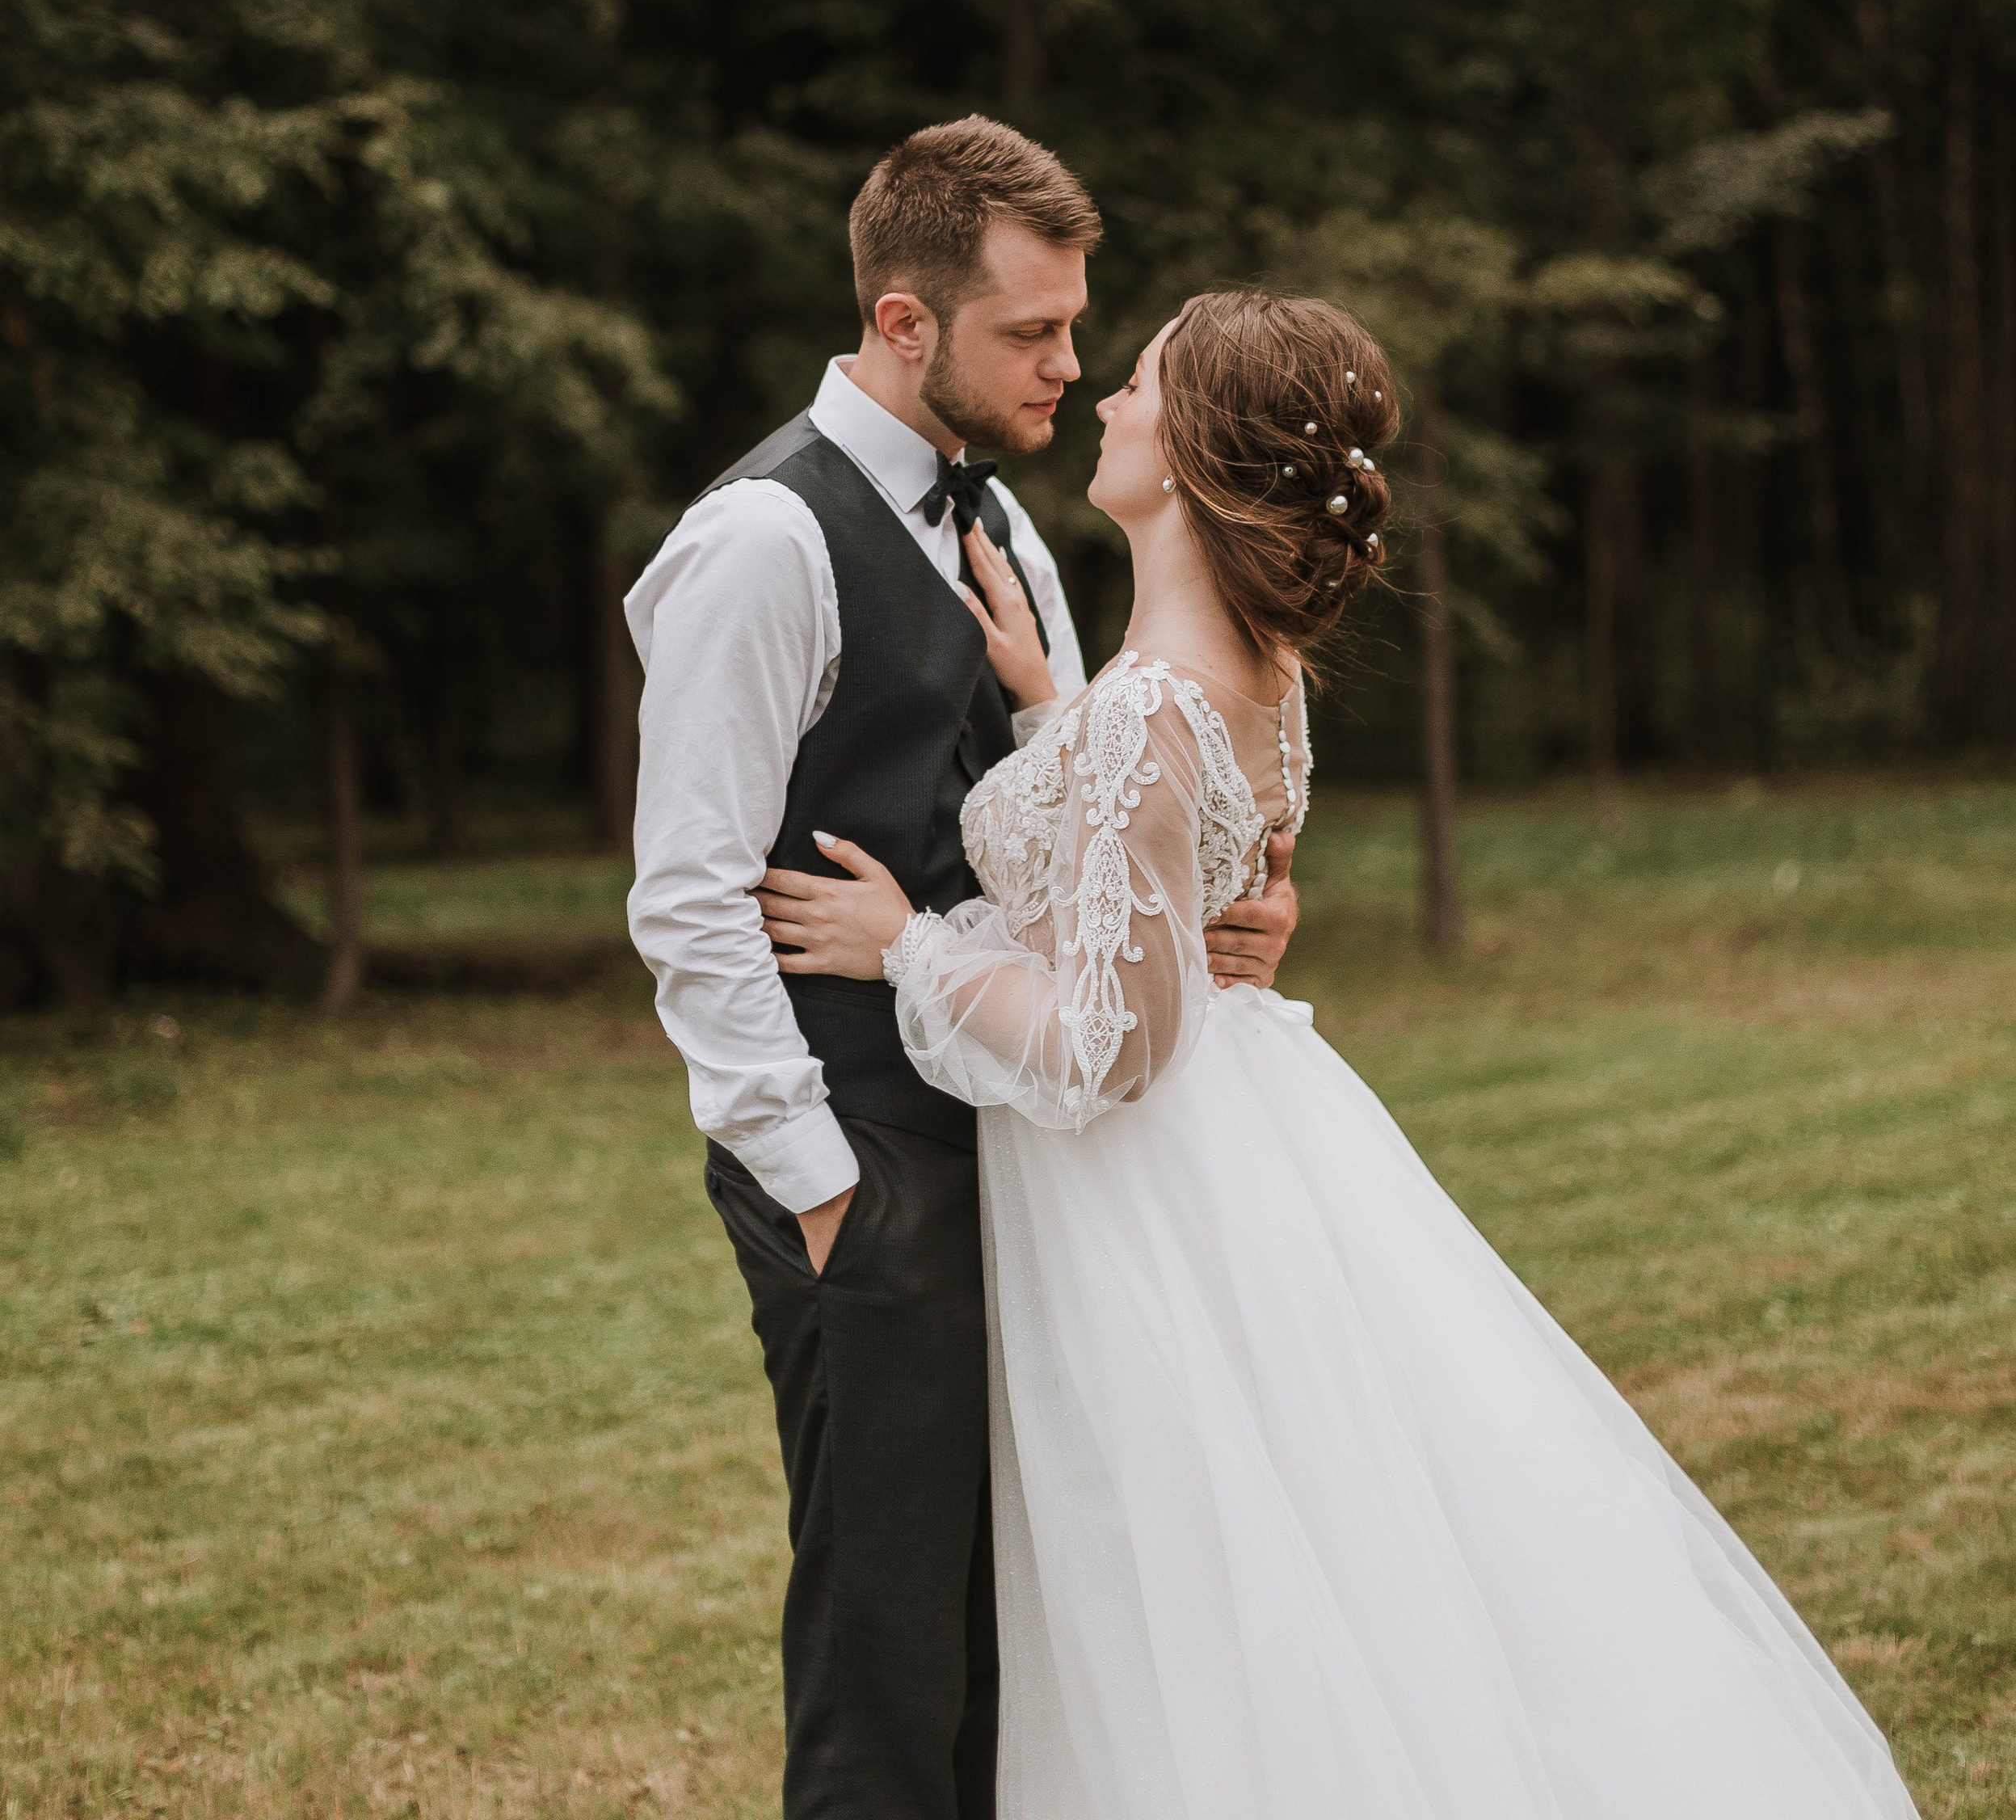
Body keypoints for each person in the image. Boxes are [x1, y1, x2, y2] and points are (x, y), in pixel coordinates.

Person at [758, 288, 1925, 1820]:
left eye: (1142, 385)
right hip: (1254, 1142)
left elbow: (1108, 1048)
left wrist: (905, 944)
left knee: (1187, 1583)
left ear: (1192, 457)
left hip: (1146, 1200)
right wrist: (1053, 711)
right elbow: (1162, 882)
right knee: (1317, 1546)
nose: (1106, 399)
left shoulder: (1153, 711)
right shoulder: (1247, 684)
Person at [623, 120, 1299, 1820]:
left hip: (1027, 1135)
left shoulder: (998, 518)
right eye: (1032, 334)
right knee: (886, 1639)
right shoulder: (760, 543)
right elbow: (688, 898)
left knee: (1025, 1622)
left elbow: (1082, 825)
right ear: (905, 321)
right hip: (861, 1155)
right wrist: (812, 1179)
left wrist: (1218, 910)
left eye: (1079, 333)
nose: (1070, 368)